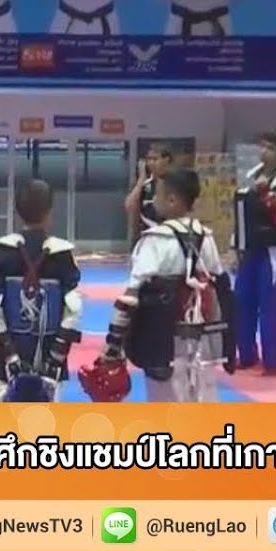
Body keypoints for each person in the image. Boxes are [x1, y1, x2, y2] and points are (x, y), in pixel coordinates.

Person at [80, 169, 236, 402]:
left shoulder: (155, 240)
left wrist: (112, 348)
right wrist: (228, 343)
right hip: (203, 339)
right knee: (202, 398)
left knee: (165, 402)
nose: (153, 200)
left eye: (158, 195)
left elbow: (129, 299)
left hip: (161, 339)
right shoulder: (207, 238)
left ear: (172, 200)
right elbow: (220, 288)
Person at [0, 179, 81, 402]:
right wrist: (56, 359)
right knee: (44, 415)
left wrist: (10, 356)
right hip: (50, 355)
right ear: (49, 212)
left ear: (17, 211)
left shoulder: (2, 253)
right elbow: (73, 310)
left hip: (3, 356)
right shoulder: (63, 255)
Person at [233, 131, 276, 376]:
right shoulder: (252, 176)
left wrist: (266, 195)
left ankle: (272, 362)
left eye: (270, 148)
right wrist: (236, 244)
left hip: (271, 250)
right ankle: (247, 354)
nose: (264, 152)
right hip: (249, 248)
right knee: (242, 302)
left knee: (269, 305)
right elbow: (242, 214)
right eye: (262, 146)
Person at [124, 144, 174, 246]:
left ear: (166, 160)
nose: (151, 163)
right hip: (146, 237)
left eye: (155, 159)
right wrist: (141, 180)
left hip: (169, 237)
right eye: (149, 159)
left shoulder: (175, 182)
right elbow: (129, 206)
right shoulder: (144, 184)